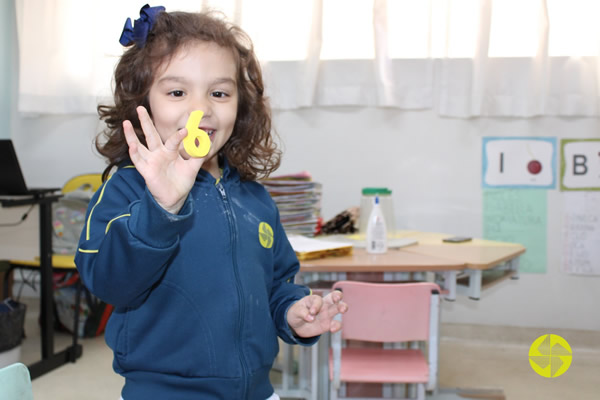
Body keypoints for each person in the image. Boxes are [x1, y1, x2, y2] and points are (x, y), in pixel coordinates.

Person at [74, 5, 347, 400]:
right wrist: (160, 209)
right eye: (177, 92)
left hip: (256, 390)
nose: (200, 109)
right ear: (143, 103)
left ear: (241, 106)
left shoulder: (255, 199)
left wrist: (293, 313)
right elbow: (109, 283)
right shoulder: (126, 191)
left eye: (219, 93)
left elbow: (275, 285)